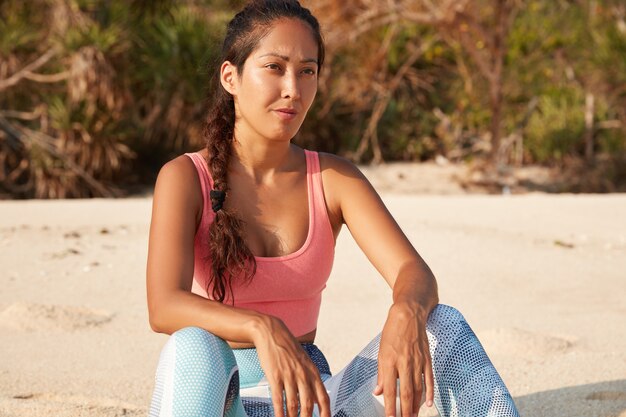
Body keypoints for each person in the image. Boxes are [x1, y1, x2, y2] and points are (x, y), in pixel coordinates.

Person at [146, 1, 520, 416]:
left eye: (307, 71)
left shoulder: (331, 178)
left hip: (318, 401)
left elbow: (413, 272)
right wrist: (261, 327)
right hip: (223, 398)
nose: (293, 88)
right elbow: (164, 305)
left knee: (441, 325)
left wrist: (406, 310)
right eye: (274, 67)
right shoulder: (185, 177)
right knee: (192, 344)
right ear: (230, 77)